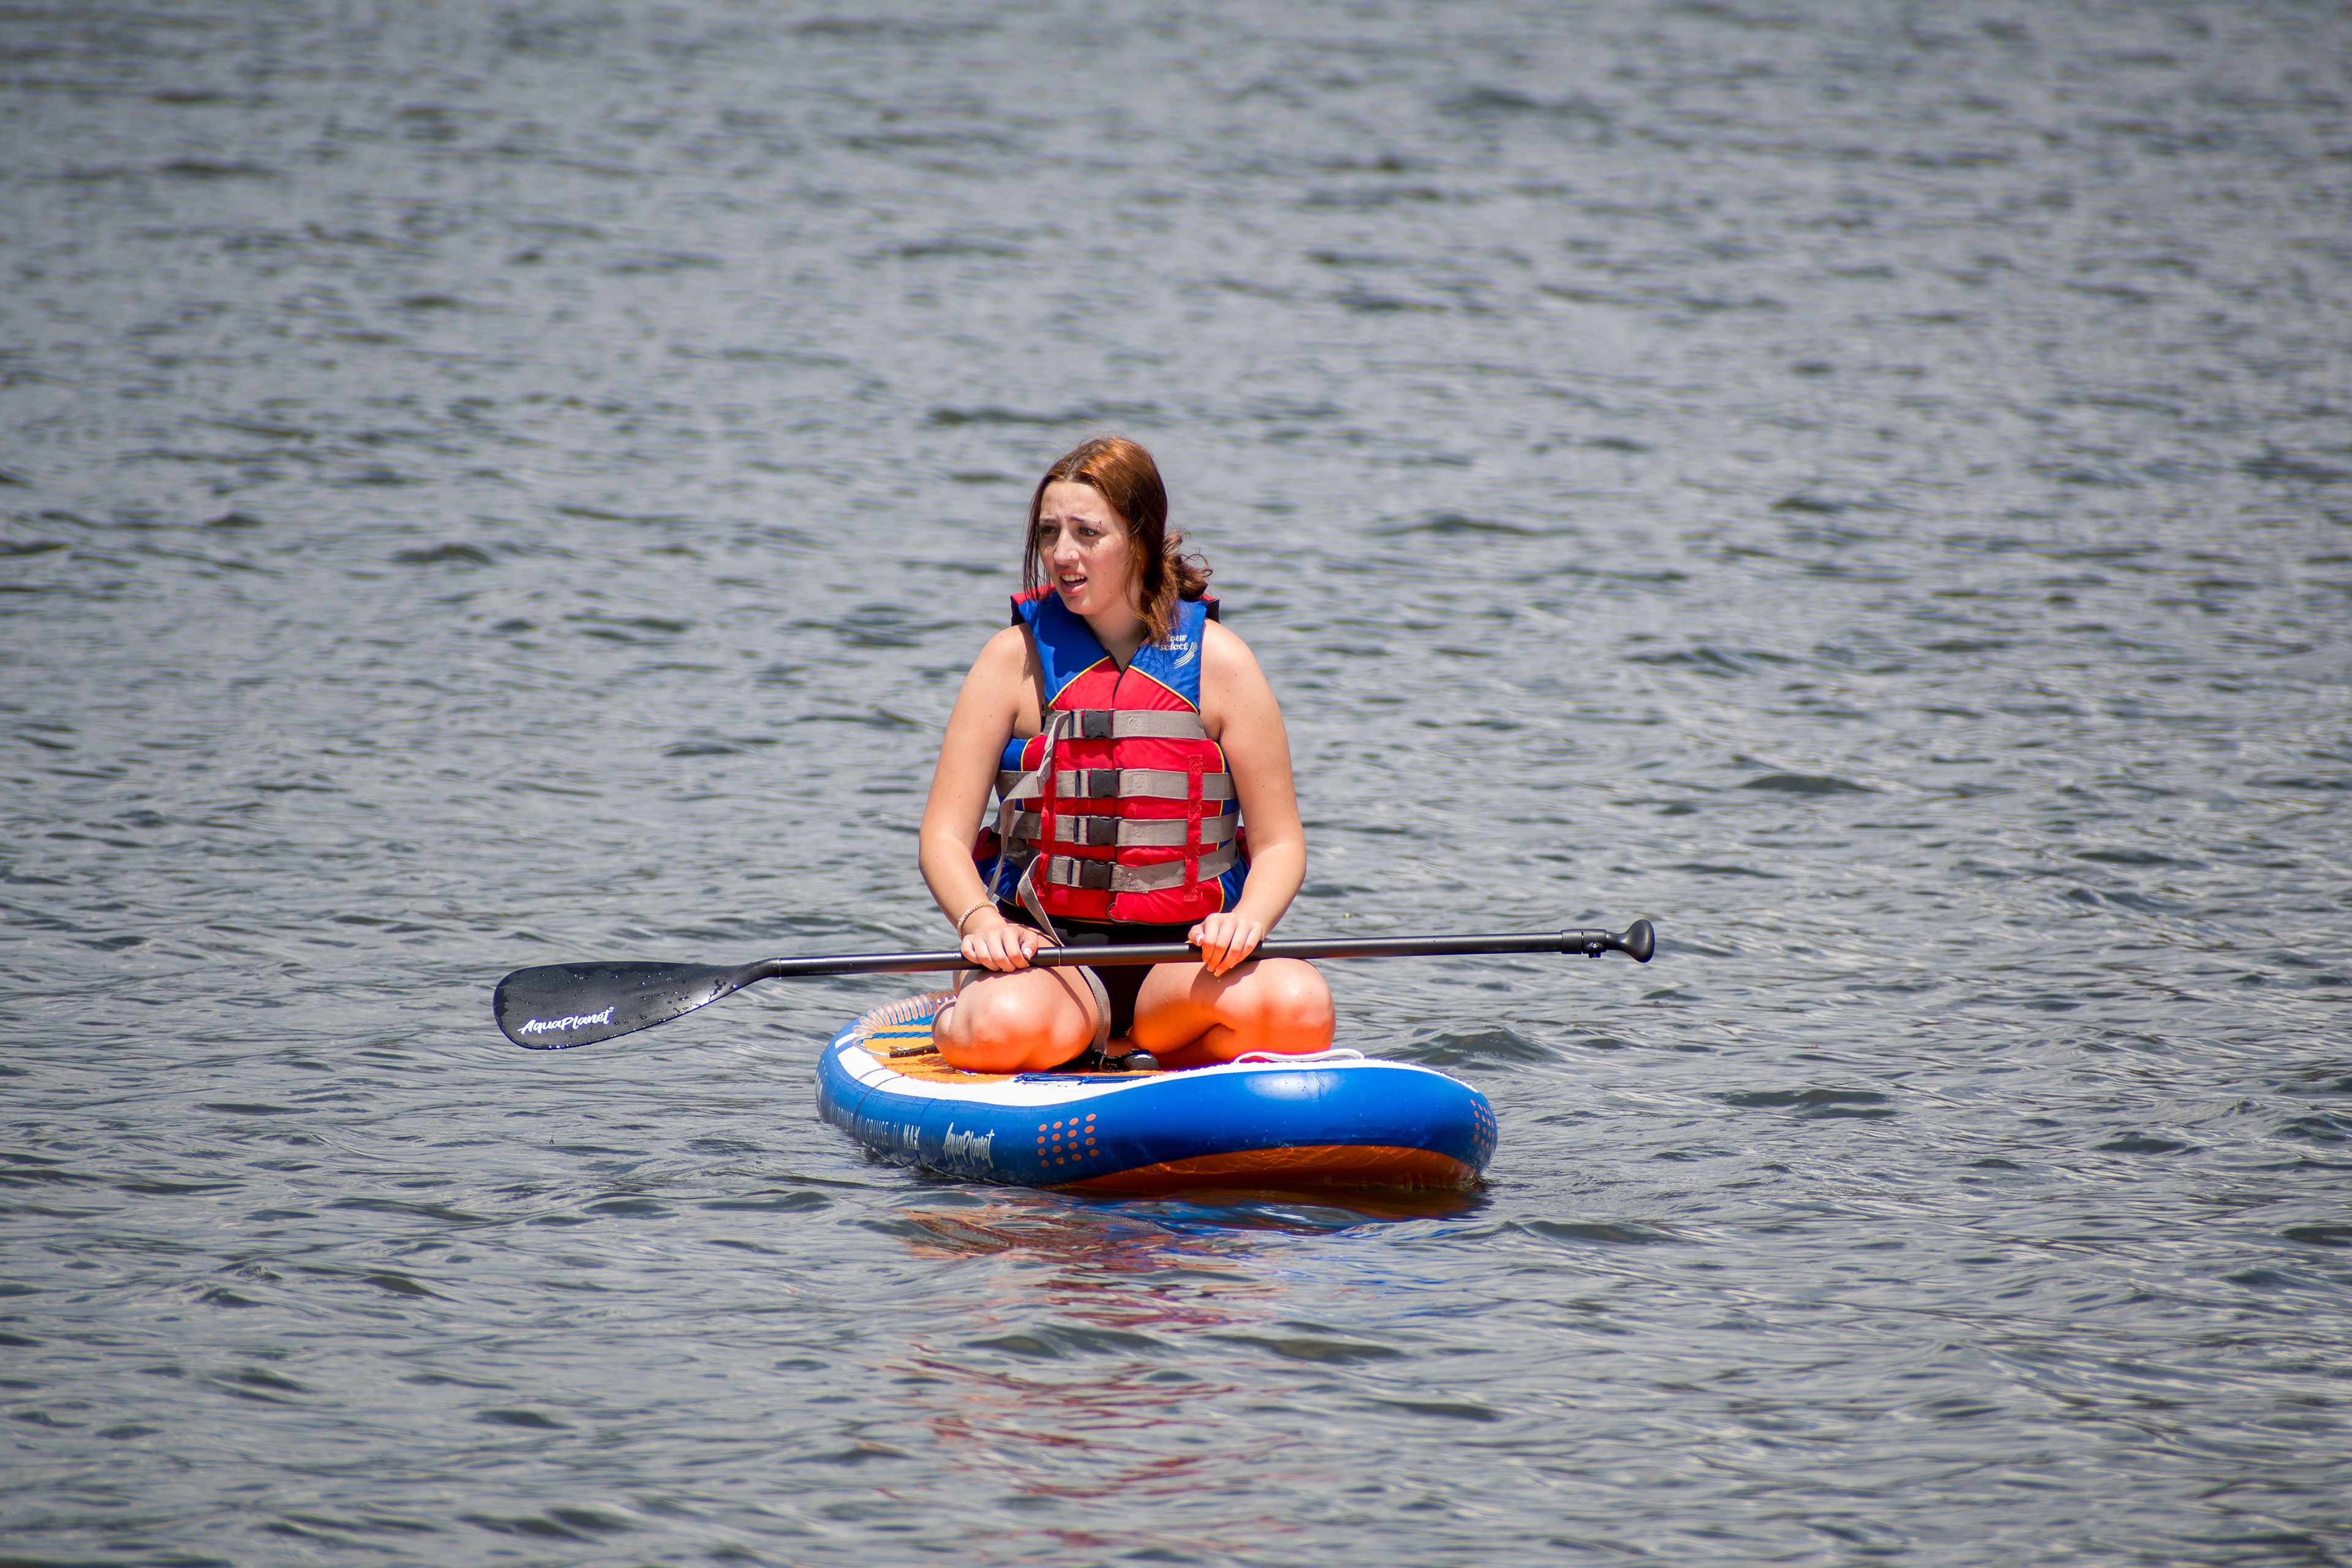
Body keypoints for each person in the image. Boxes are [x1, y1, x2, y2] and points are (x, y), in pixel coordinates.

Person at [918, 436, 1336, 1074]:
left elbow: (1281, 845)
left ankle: (1136, 1058)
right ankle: (968, 1009)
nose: (1062, 554)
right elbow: (943, 837)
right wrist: (980, 921)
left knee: (1302, 1006)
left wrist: (1246, 920)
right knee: (997, 1029)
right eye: (1049, 531)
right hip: (1048, 955)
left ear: (1139, 540)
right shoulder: (1010, 660)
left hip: (1185, 963)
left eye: (1087, 533)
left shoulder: (1221, 663)